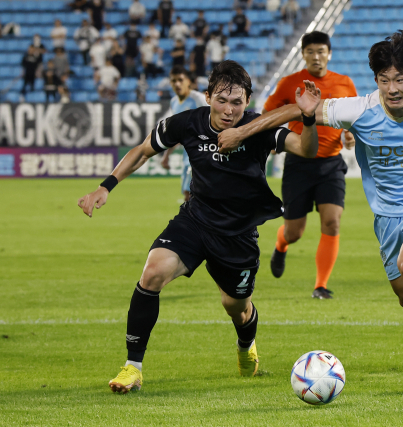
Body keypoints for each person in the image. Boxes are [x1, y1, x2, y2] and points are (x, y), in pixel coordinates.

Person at [218, 31, 403, 390]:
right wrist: (243, 132)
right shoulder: (359, 109)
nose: (392, 88)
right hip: (388, 215)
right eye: (384, 79)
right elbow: (294, 110)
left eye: (400, 79)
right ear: (376, 81)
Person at [77, 60, 322, 393]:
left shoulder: (258, 127)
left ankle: (245, 344)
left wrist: (307, 118)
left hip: (238, 235)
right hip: (195, 220)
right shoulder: (188, 123)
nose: (229, 109)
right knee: (152, 273)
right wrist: (106, 186)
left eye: (237, 102)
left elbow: (306, 149)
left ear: (247, 102)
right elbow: (143, 150)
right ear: (207, 96)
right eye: (221, 100)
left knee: (235, 306)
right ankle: (132, 368)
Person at [263, 31, 357, 299]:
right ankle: (281, 245)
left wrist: (349, 135)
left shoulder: (345, 84)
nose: (316, 57)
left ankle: (320, 285)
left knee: (332, 222)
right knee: (295, 232)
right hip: (298, 164)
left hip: (331, 164)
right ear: (303, 54)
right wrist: (269, 140)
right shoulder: (289, 83)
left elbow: (353, 119)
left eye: (321, 51)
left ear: (329, 53)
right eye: (310, 52)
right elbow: (267, 113)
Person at [159, 65, 209, 201]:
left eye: (180, 80)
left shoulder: (199, 99)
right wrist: (166, 155)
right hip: (188, 155)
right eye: (174, 81)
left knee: (192, 195)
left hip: (203, 153)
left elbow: (217, 120)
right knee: (188, 195)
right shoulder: (174, 102)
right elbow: (177, 133)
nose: (177, 84)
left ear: (188, 81)